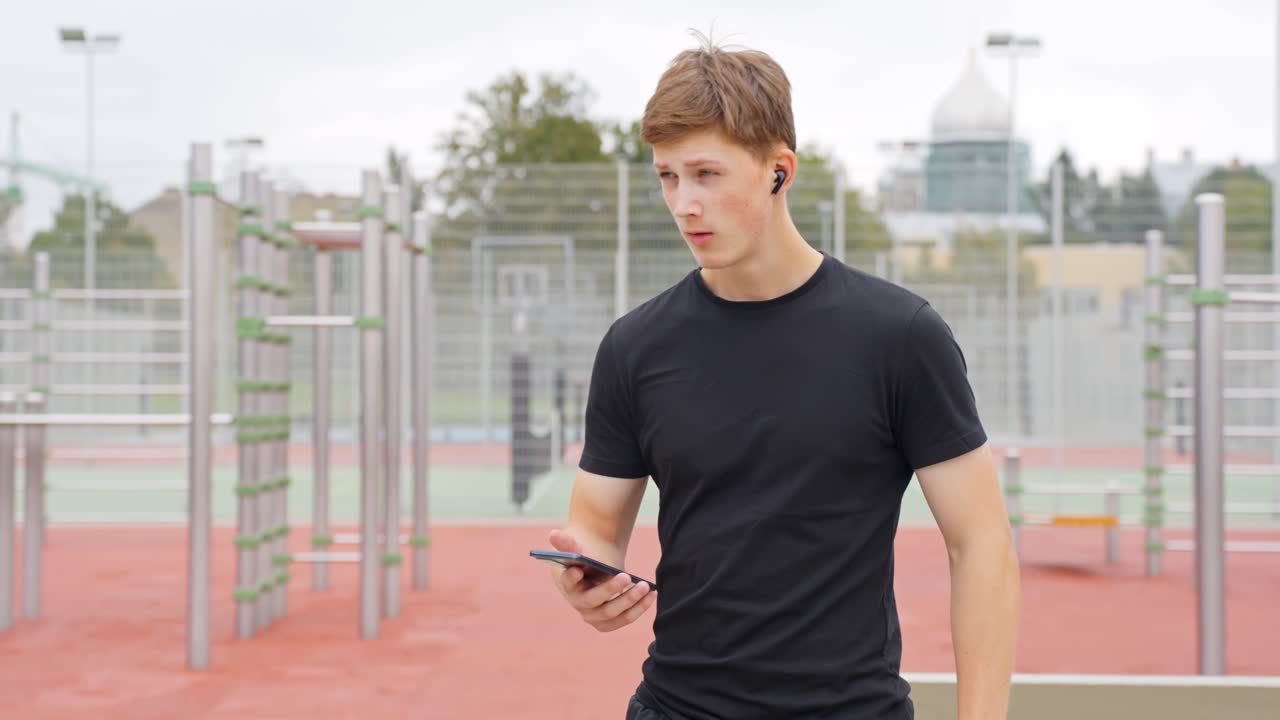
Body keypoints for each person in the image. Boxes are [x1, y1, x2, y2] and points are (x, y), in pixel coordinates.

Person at [546, 36, 1020, 719]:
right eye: (667, 176)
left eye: (707, 174)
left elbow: (981, 544)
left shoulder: (900, 336)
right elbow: (594, 526)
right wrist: (585, 577)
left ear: (779, 169)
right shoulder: (635, 347)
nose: (683, 204)